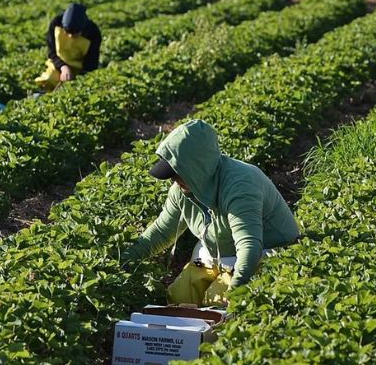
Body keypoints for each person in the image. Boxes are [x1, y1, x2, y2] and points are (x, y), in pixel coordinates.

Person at [123, 120, 300, 306]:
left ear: (196, 168)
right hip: (218, 252)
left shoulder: (240, 186)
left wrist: (236, 290)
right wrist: (124, 260)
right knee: (180, 297)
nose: (175, 180)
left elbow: (249, 245)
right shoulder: (182, 190)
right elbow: (161, 232)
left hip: (265, 251)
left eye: (178, 173)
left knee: (217, 301)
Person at [34, 3, 101, 91]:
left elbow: (91, 64)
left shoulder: (93, 33)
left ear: (82, 29)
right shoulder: (56, 23)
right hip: (58, 65)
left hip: (80, 70)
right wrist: (63, 67)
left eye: (74, 33)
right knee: (49, 80)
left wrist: (76, 80)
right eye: (67, 32)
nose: (70, 36)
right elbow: (51, 53)